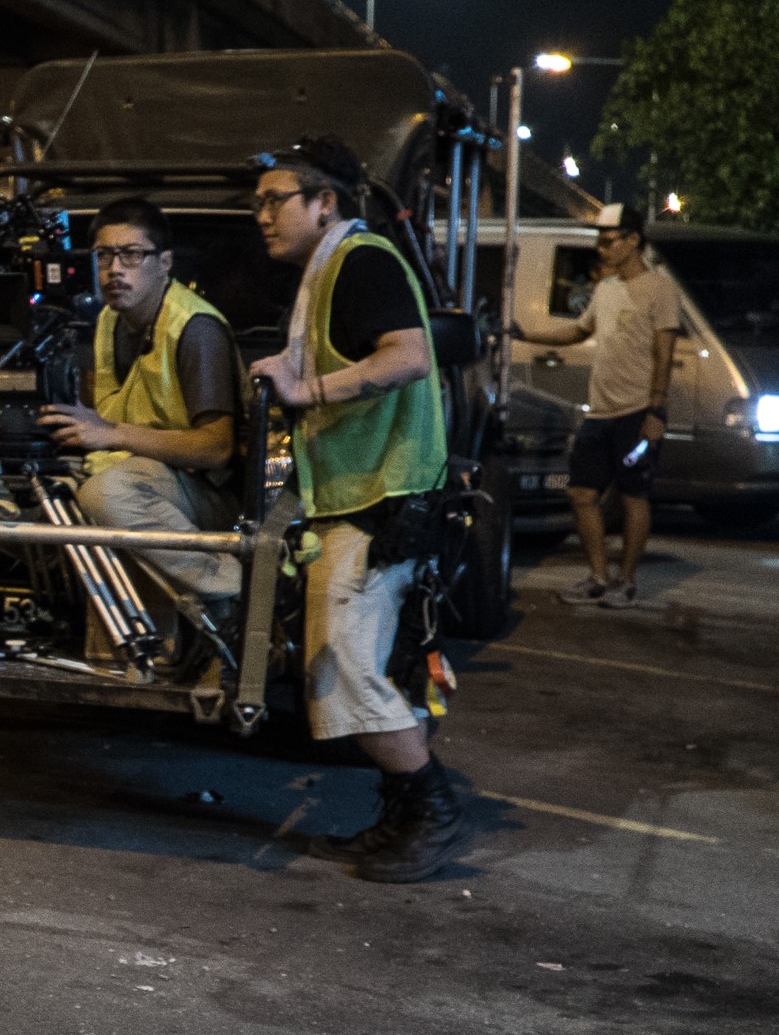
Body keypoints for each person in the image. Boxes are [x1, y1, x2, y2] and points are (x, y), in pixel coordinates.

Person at [245, 137, 470, 884]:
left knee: (345, 666)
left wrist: (306, 392)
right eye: (260, 202)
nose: (262, 215)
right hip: (355, 497)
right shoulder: (328, 271)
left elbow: (406, 356)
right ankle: (401, 818)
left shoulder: (360, 261)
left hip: (383, 499)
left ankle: (432, 812)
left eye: (276, 199)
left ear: (326, 202)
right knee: (342, 664)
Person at [39, 195, 243, 654]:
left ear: (164, 262)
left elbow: (217, 449)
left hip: (205, 488)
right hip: (140, 470)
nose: (115, 269)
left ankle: (228, 583)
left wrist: (111, 433)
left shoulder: (195, 328)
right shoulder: (109, 320)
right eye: (104, 255)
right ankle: (117, 655)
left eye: (132, 255)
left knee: (109, 492)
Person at [508, 202, 681, 607]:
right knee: (581, 494)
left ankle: (628, 580)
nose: (601, 250)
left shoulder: (660, 288)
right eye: (599, 242)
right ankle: (598, 577)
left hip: (637, 411)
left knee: (633, 495)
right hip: (599, 412)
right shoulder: (606, 289)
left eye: (608, 242)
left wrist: (656, 411)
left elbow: (664, 351)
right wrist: (525, 334)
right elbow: (577, 331)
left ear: (633, 240)